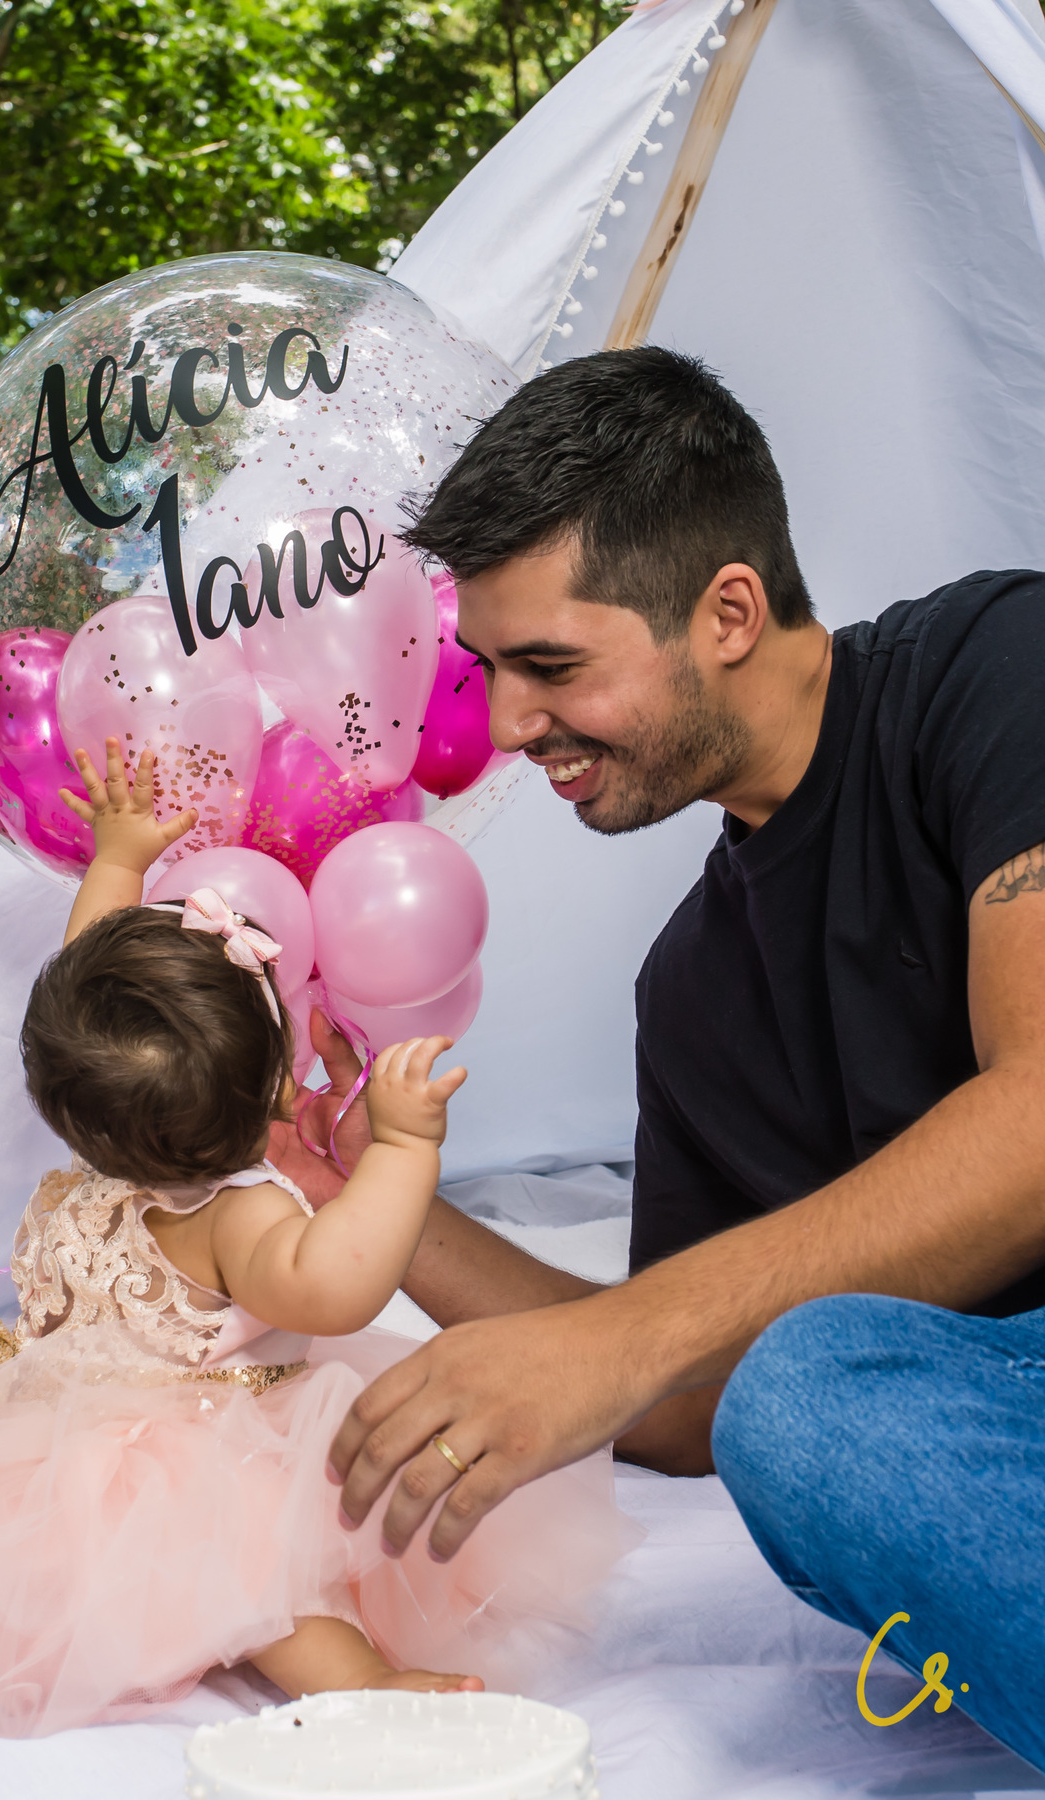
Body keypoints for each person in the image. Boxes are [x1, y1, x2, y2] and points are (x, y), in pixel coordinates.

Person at [310, 346, 1045, 1769]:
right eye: (494, 670)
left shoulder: (996, 669)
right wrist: (364, 1182)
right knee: (807, 1405)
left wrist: (616, 1338)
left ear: (726, 610)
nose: (511, 724)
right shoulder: (697, 988)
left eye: (552, 666)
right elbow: (693, 1398)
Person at [0, 738, 625, 1741]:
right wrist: (402, 1146)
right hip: (192, 1457)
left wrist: (118, 857)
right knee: (266, 1571)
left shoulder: (97, 1132)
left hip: (60, 1433)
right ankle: (353, 1678)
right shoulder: (236, 1214)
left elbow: (88, 976)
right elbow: (339, 1284)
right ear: (270, 1085)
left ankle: (326, 1673)